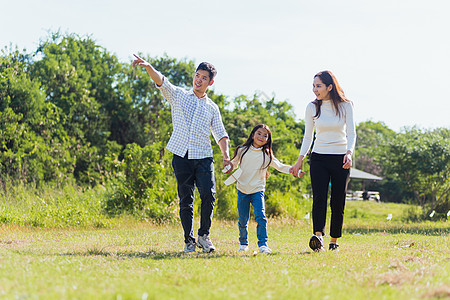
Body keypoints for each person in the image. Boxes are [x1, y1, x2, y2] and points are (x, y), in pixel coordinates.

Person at [132, 54, 232, 253]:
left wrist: (226, 156)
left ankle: (204, 236)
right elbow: (162, 81)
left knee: (208, 195)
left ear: (210, 82)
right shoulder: (178, 96)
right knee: (186, 199)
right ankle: (189, 240)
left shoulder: (212, 107)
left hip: (204, 157)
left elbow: (221, 134)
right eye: (197, 75)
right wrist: (149, 67)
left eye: (204, 78)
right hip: (181, 156)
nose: (199, 80)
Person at [290, 70, 356, 252]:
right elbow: (308, 136)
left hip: (341, 157)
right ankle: (318, 237)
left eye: (318, 86)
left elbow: (352, 133)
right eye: (313, 86)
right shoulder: (312, 107)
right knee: (319, 198)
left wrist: (349, 153)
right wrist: (299, 160)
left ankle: (334, 241)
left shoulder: (346, 106)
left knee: (337, 200)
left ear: (329, 87)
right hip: (319, 157)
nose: (314, 90)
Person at [225, 124, 304, 254]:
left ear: (268, 140)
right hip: (242, 189)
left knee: (261, 217)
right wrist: (228, 168)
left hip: (257, 190)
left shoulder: (266, 154)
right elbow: (233, 164)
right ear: (253, 135)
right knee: (243, 219)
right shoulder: (242, 150)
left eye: (265, 135)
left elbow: (280, 166)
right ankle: (243, 243)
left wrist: (296, 171)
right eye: (259, 133)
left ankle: (263, 245)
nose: (261, 137)